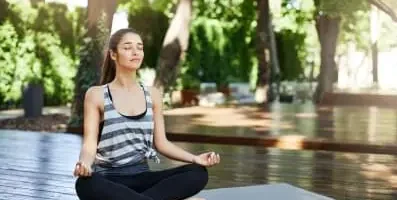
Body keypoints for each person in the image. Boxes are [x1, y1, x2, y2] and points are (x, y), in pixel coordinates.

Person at [73, 28, 220, 200]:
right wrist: (84, 164)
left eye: (139, 47)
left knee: (198, 173)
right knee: (85, 184)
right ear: (113, 54)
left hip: (143, 176)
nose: (135, 52)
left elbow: (162, 143)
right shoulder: (96, 94)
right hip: (109, 180)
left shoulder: (153, 94)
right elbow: (89, 144)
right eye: (127, 47)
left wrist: (195, 158)